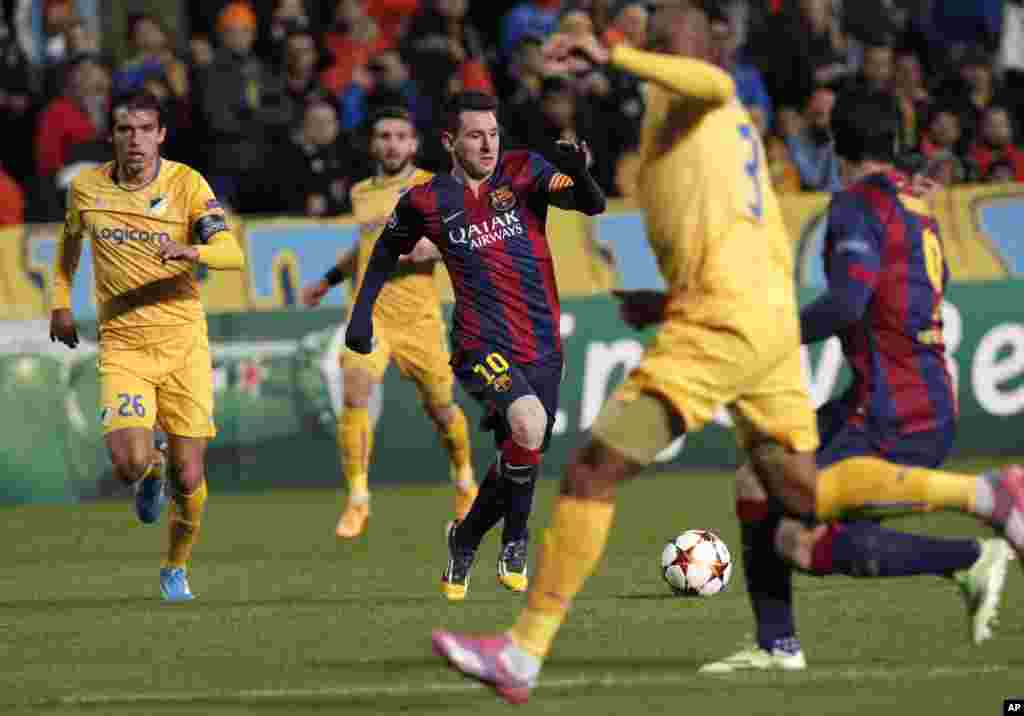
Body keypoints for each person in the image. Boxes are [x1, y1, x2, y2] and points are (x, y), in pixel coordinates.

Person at [432, 3, 824, 702]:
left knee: (591, 469)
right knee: (800, 493)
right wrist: (662, 303)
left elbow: (704, 80)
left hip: (722, 327)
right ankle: (982, 501)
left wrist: (613, 55)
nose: (652, 36)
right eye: (648, 30)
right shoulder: (690, 126)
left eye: (667, 28)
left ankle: (521, 655)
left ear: (707, 43)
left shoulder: (708, 94)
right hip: (760, 318)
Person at [702, 91, 1017, 674]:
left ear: (833, 144)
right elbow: (929, 280)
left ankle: (976, 536)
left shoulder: (854, 205)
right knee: (757, 480)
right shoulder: (914, 204)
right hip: (912, 392)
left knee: (793, 529)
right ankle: (778, 646)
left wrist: (770, 339)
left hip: (890, 409)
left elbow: (848, 301)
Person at [345, 91, 606, 600]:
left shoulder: (524, 169)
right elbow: (383, 254)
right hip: (479, 341)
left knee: (524, 448)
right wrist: (361, 317)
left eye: (492, 133)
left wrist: (580, 173)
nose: (487, 144)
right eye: (474, 135)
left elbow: (589, 204)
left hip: (542, 341)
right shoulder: (426, 199)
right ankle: (516, 538)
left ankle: (465, 538)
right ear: (449, 141)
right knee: (528, 426)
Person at [48, 90, 245, 602]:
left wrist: (192, 249)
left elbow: (231, 254)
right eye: (124, 129)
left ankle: (175, 567)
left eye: (144, 130)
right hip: (123, 345)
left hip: (183, 342)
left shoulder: (186, 185)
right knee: (130, 464)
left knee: (190, 473)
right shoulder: (87, 189)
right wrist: (60, 301)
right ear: (112, 135)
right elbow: (69, 245)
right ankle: (147, 470)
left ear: (160, 135)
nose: (134, 139)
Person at [302, 106, 478, 539]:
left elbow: (466, 239)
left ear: (414, 144)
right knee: (355, 395)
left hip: (419, 321)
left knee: (441, 410)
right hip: (370, 316)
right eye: (384, 136)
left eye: (401, 136)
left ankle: (465, 481)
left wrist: (429, 250)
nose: (392, 143)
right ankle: (358, 499)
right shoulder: (362, 192)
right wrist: (326, 281)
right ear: (373, 144)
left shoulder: (433, 188)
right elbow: (364, 249)